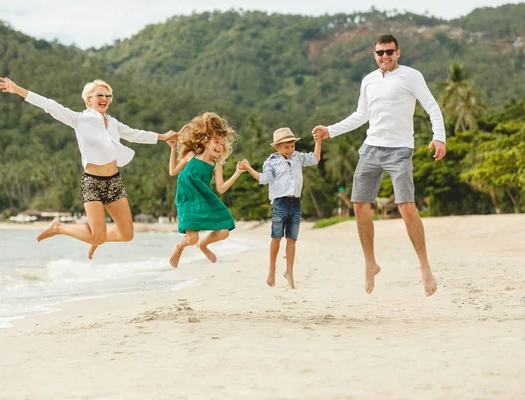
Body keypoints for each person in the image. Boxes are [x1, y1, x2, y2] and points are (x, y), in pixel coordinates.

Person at [312, 34, 446, 296]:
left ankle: (424, 266)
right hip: (371, 148)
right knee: (360, 206)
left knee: (406, 207)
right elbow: (360, 116)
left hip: (399, 150)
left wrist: (438, 137)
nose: (385, 56)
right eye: (380, 52)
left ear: (398, 53)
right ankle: (370, 263)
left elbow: (432, 107)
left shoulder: (411, 76)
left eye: (389, 51)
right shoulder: (369, 81)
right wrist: (330, 130)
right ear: (375, 55)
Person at [0, 77, 176, 259]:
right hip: (93, 183)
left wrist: (162, 136)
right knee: (97, 235)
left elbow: (135, 134)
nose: (105, 98)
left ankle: (96, 239)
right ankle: (59, 227)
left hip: (114, 182)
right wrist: (18, 90)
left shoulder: (112, 122)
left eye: (108, 95)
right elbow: (50, 105)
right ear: (89, 100)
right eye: (100, 94)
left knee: (127, 235)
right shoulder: (79, 119)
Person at [239, 127, 321, 289]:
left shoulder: (298, 157)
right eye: (286, 147)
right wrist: (248, 169)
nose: (290, 150)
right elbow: (263, 179)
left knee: (292, 239)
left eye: (292, 146)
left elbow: (315, 159)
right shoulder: (271, 162)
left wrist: (318, 141)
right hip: (280, 204)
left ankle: (289, 272)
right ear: (277, 147)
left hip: (296, 203)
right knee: (276, 237)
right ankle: (272, 269)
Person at [166, 112, 246, 268]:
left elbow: (221, 188)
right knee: (191, 238)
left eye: (222, 143)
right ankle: (179, 247)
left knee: (224, 232)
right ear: (206, 141)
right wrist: (173, 148)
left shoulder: (216, 165)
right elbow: (173, 171)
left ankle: (203, 245)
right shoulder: (191, 155)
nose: (219, 146)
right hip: (187, 200)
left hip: (204, 200)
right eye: (216, 141)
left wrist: (237, 172)